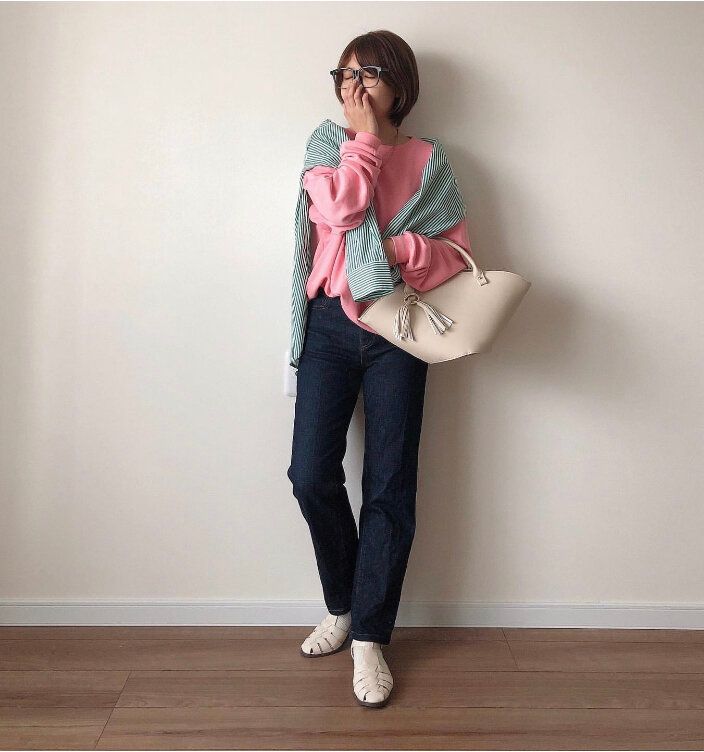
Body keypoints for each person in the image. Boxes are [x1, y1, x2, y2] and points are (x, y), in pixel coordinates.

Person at [286, 29, 473, 709]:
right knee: (310, 475)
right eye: (345, 73)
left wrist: (400, 252)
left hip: (400, 326)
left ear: (400, 82)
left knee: (390, 483)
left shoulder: (429, 160)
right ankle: (343, 604)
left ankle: (369, 636)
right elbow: (340, 209)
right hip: (330, 326)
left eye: (369, 72)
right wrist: (363, 140)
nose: (354, 84)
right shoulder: (324, 145)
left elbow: (454, 254)